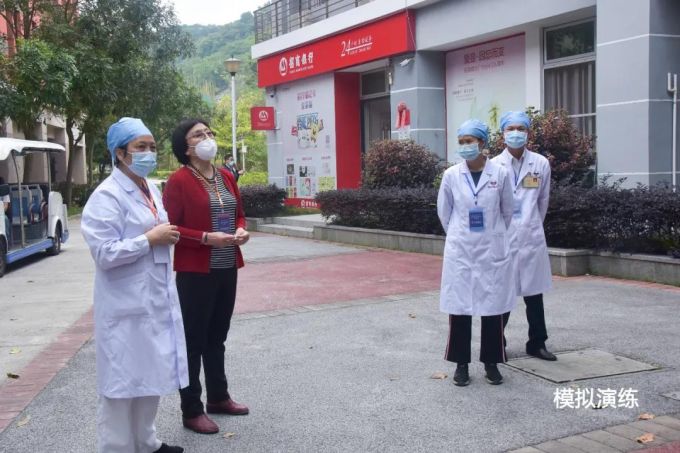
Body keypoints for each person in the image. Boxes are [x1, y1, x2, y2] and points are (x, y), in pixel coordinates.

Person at [80, 117, 188, 453]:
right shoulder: (106, 196)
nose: (148, 153)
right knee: (121, 382)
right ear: (120, 153)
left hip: (153, 296)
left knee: (149, 373)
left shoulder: (150, 188)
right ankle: (118, 447)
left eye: (152, 146)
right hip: (124, 303)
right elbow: (104, 253)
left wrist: (162, 236)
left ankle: (147, 441)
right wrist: (149, 239)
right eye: (141, 147)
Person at [163, 119, 250, 435]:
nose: (207, 138)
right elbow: (170, 227)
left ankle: (218, 397)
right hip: (195, 271)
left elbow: (239, 213)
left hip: (227, 266)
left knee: (217, 336)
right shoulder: (179, 181)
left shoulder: (225, 176)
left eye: (209, 133)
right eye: (198, 134)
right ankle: (191, 410)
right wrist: (204, 238)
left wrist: (241, 230)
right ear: (185, 147)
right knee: (192, 341)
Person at [437, 119, 516, 386]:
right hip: (461, 250)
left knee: (493, 307)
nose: (465, 146)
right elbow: (444, 213)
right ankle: (461, 364)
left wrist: (493, 235)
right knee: (460, 308)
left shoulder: (500, 174)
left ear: (482, 142)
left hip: (491, 250)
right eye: (461, 142)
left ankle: (491, 363)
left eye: (469, 141)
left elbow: (507, 211)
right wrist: (460, 235)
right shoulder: (451, 175)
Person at [492, 111, 556, 361]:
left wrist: (531, 225)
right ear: (503, 133)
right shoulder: (493, 165)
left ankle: (537, 343)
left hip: (531, 236)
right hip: (504, 237)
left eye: (521, 128)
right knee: (503, 293)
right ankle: (497, 344)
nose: (516, 133)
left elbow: (543, 201)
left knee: (534, 294)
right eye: (511, 129)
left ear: (528, 133)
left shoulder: (540, 163)